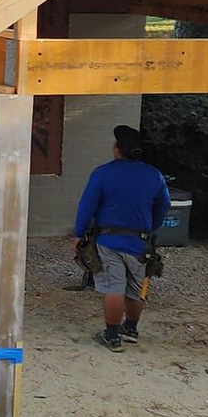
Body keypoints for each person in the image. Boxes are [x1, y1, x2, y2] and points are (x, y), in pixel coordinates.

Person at [72, 124, 172, 351]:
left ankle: (112, 336)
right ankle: (131, 329)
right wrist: (151, 228)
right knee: (135, 289)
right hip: (140, 242)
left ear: (117, 150)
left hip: (109, 241)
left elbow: (87, 205)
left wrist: (79, 234)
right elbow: (163, 206)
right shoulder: (154, 175)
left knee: (113, 288)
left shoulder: (103, 173)